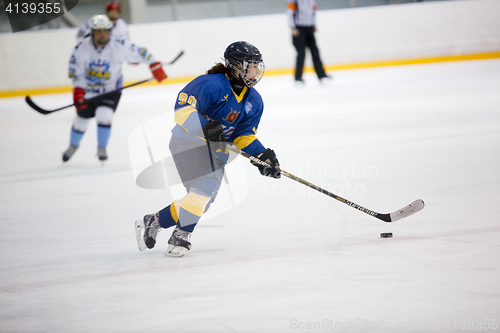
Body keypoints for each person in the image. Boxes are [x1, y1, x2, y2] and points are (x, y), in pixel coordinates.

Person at [135, 41, 281, 257]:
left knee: (203, 199)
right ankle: (181, 235)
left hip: (216, 150)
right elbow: (182, 110)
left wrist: (260, 154)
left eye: (258, 66)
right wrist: (208, 129)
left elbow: (243, 135)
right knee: (204, 188)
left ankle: (154, 220)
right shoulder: (210, 84)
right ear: (236, 66)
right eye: (251, 66)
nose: (256, 71)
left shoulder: (254, 101)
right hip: (188, 142)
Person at [63, 15, 167, 162]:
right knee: (81, 120)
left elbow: (142, 52)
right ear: (92, 32)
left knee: (104, 115)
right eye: (98, 31)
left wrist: (154, 65)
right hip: (88, 91)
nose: (102, 34)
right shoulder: (81, 48)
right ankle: (73, 146)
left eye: (105, 30)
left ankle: (101, 148)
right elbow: (75, 72)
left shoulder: (120, 45)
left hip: (111, 90)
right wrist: (78, 91)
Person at [286, 0, 331, 85]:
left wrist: (313, 24)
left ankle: (321, 75)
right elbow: (290, 12)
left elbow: (313, 11)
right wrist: (293, 27)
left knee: (315, 52)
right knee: (301, 53)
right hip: (299, 29)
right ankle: (298, 77)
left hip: (309, 27)